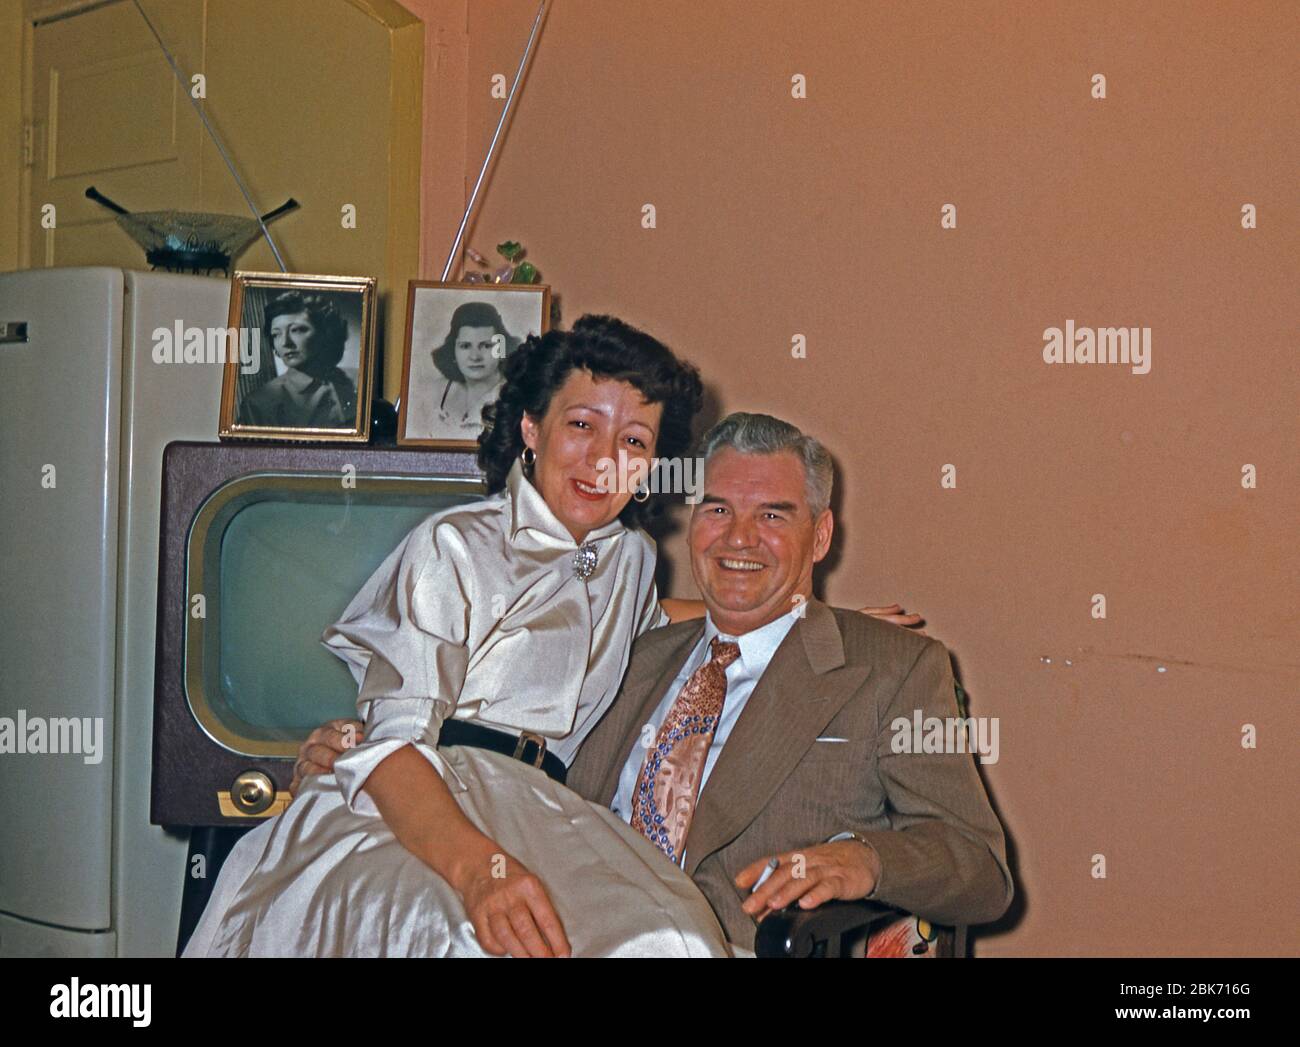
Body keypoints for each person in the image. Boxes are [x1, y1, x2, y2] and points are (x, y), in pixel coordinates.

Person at [295, 413, 1014, 952]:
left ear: (820, 537)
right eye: (717, 509)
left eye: (773, 515)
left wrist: (864, 859)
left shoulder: (895, 670)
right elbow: (511, 750)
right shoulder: (630, 652)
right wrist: (368, 750)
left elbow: (980, 867)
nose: (738, 538)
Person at [185, 314, 730, 957]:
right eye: (582, 425)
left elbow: (670, 620)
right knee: (462, 940)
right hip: (421, 803)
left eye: (634, 442)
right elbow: (395, 744)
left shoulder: (632, 559)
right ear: (532, 428)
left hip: (547, 811)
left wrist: (815, 613)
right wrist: (478, 875)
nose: (605, 460)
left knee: (670, 940)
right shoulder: (454, 545)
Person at [239, 291, 359, 429]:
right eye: (276, 334)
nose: (285, 342)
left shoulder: (358, 381)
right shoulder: (259, 402)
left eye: (297, 330)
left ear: (325, 332)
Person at [405, 301, 523, 441]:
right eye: (465, 346)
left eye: (486, 346)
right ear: (453, 350)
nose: (475, 356)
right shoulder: (432, 393)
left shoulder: (513, 396)